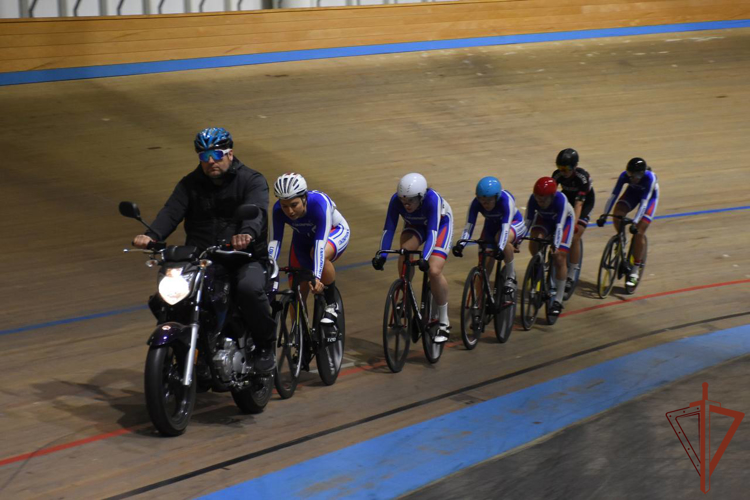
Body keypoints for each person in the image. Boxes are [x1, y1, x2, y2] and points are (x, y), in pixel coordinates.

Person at [132, 127, 276, 373]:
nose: (210, 161)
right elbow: (170, 212)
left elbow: (257, 211)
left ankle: (265, 346)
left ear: (230, 154)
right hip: (203, 259)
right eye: (204, 156)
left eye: (217, 155)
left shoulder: (252, 180)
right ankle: (190, 350)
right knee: (165, 298)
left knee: (248, 289)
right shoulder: (190, 184)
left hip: (243, 257)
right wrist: (151, 236)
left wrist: (247, 234)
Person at [372, 173, 454, 343]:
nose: (406, 205)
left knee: (434, 270)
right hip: (416, 225)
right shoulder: (396, 200)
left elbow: (432, 232)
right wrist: (383, 254)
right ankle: (405, 293)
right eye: (403, 201)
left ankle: (444, 321)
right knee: (404, 252)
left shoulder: (432, 200)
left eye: (410, 201)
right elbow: (389, 228)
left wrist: (424, 257)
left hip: (439, 226)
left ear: (421, 197)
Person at [267, 173, 350, 341]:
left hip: (334, 233)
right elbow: (275, 243)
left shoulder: (319, 203)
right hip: (303, 240)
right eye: (284, 206)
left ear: (304, 198)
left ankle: (332, 304)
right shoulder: (278, 210)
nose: (289, 211)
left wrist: (316, 277)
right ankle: (300, 335)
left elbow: (320, 243)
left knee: (316, 255)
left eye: (294, 204)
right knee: (296, 287)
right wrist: (269, 271)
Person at [451, 176, 526, 301]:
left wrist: (500, 248)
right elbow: (469, 226)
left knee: (501, 238)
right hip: (492, 227)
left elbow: (506, 228)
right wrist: (461, 244)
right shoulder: (475, 203)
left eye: (488, 201)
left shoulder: (506, 200)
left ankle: (510, 277)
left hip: (513, 223)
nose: (484, 204)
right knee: (484, 265)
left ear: (496, 197)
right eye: (481, 200)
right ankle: (479, 304)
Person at [597, 157, 659, 287]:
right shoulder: (624, 176)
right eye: (630, 175)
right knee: (617, 214)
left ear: (642, 173)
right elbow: (613, 196)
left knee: (639, 232)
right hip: (632, 194)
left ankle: (635, 270)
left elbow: (644, 202)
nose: (632, 178)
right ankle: (622, 239)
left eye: (636, 175)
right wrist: (604, 214)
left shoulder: (650, 178)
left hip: (648, 200)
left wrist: (635, 222)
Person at [524, 177, 576, 316]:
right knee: (535, 240)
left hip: (564, 222)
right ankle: (538, 266)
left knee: (559, 257)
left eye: (543, 200)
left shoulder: (561, 201)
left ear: (552, 196)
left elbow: (559, 227)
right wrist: (518, 240)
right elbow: (528, 222)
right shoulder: (533, 200)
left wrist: (556, 245)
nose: (540, 202)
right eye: (537, 199)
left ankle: (558, 300)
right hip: (545, 220)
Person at [552, 148, 595, 295]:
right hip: (567, 198)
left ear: (575, 167)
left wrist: (573, 225)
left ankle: (571, 273)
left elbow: (579, 204)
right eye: (560, 168)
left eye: (566, 169)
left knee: (575, 236)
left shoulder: (582, 178)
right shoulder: (557, 175)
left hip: (583, 203)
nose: (563, 172)